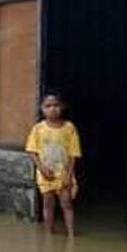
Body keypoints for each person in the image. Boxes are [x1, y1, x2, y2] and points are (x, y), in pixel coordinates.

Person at [26, 92, 82, 238]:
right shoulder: (38, 129)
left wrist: (69, 175)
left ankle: (71, 234)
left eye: (56, 105)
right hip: (46, 174)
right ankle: (49, 233)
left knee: (67, 204)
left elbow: (73, 153)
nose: (52, 109)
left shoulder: (69, 128)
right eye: (48, 106)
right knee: (48, 203)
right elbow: (32, 151)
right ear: (42, 108)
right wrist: (42, 168)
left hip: (64, 173)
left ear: (62, 107)